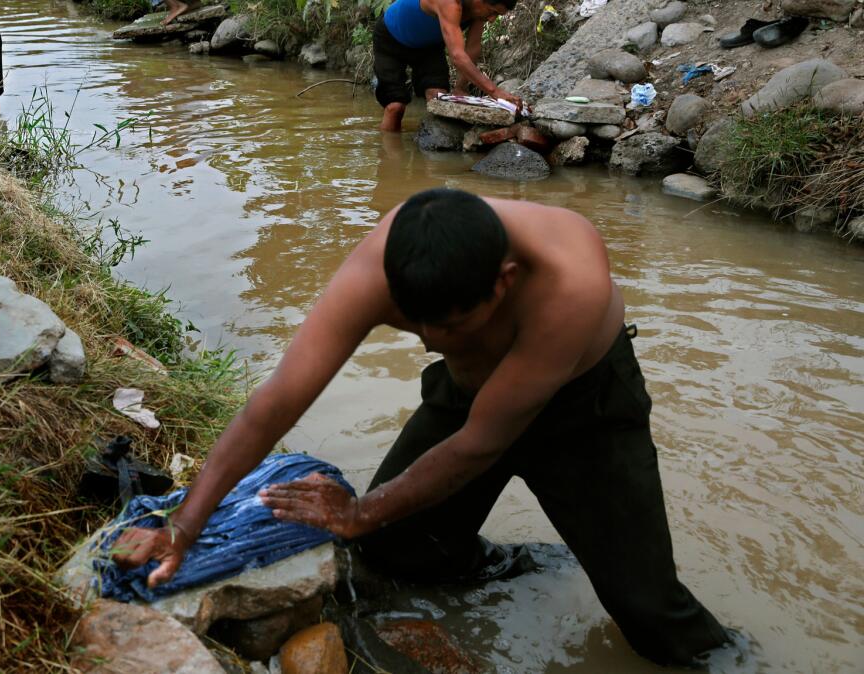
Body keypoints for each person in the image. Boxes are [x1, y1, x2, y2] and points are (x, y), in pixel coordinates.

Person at [112, 188, 733, 667]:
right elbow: (278, 399)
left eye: (455, 326)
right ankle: (522, 566)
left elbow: (481, 444)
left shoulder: (571, 284)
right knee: (394, 547)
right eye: (418, 326)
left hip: (585, 409)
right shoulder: (385, 261)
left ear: (504, 282)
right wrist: (186, 524)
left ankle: (732, 660)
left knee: (651, 616)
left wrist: (360, 509)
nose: (433, 341)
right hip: (469, 399)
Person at [373, 0, 522, 132]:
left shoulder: (480, 12)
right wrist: (494, 91)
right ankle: (389, 158)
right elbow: (457, 55)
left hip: (428, 47)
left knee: (438, 98)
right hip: (390, 39)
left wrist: (461, 88)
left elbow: (472, 48)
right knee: (395, 107)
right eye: (493, 12)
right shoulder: (450, 3)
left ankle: (432, 154)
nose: (492, 19)